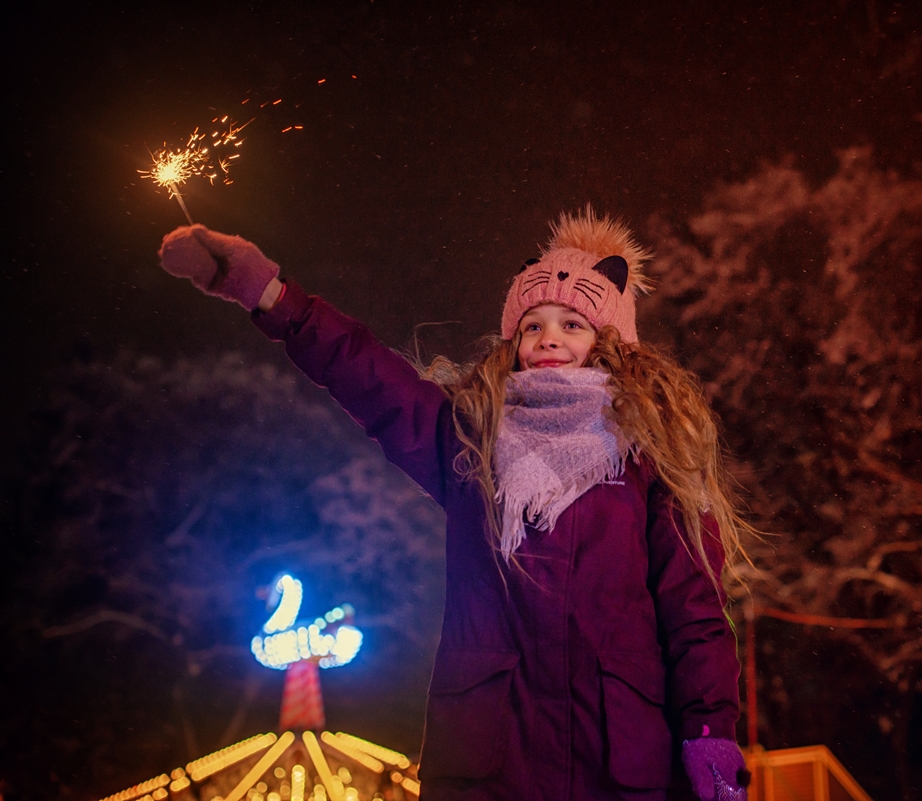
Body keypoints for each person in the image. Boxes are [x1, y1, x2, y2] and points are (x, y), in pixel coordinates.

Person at [158, 208, 754, 801]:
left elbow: (694, 610)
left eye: (573, 324)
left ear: (611, 342)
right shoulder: (471, 443)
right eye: (532, 324)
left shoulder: (651, 453)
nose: (549, 337)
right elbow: (365, 374)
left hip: (619, 758)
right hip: (491, 762)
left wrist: (709, 730)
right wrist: (268, 292)